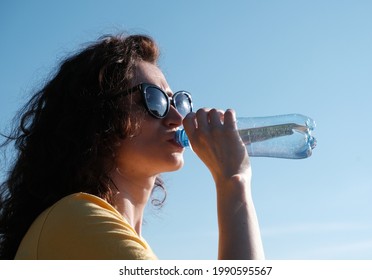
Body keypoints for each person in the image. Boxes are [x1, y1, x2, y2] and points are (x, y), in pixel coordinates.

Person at [0, 34, 264, 260]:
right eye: (154, 100)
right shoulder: (76, 220)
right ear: (99, 118)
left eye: (178, 102)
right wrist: (233, 180)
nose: (177, 118)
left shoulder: (99, 231)